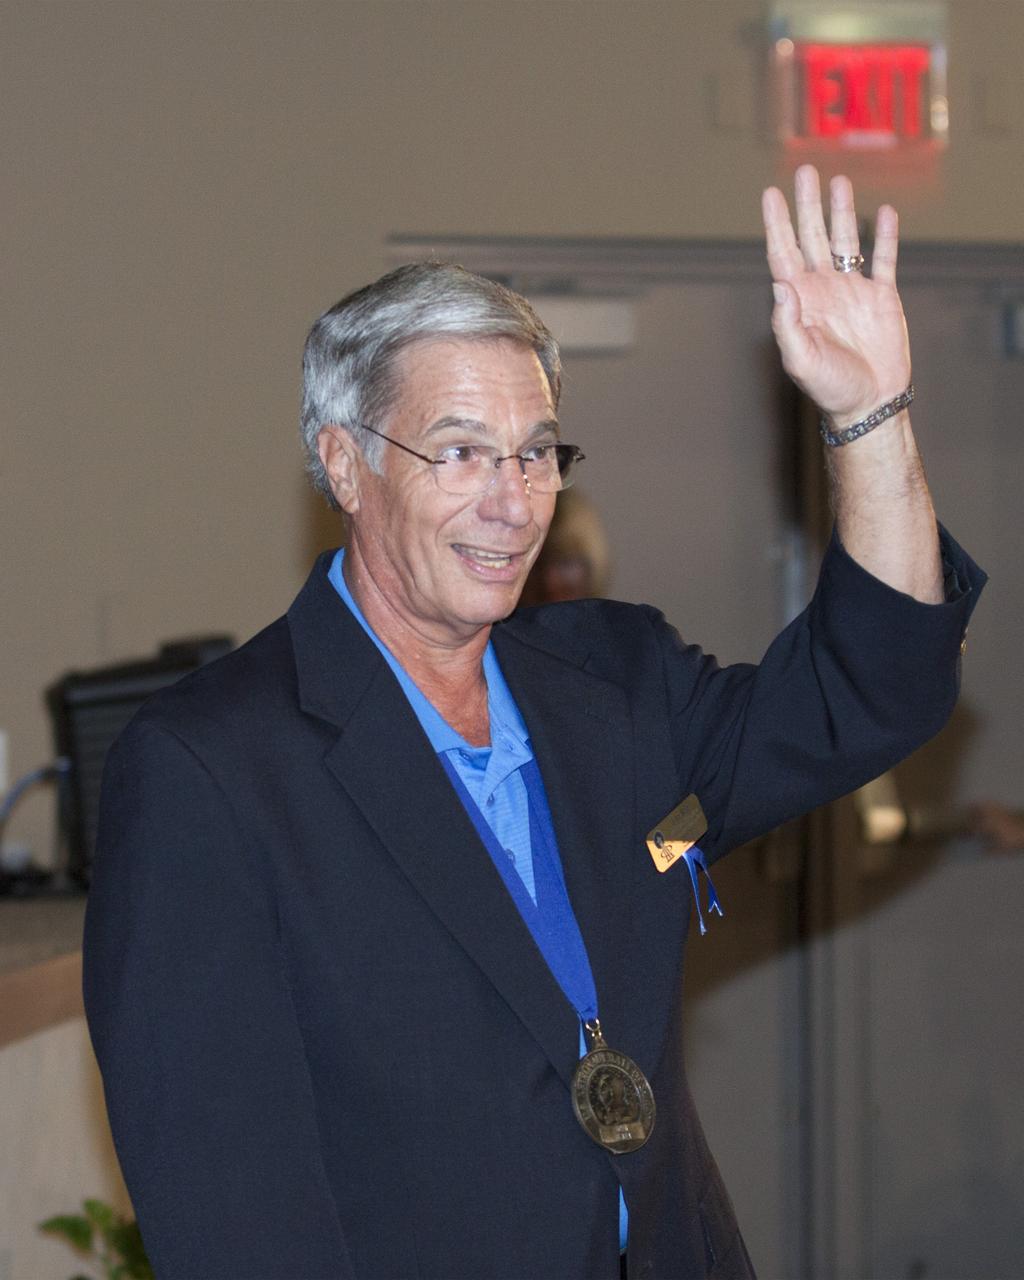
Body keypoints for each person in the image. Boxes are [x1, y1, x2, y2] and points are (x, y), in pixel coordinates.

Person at [84, 167, 984, 1280]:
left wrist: (868, 411)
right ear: (343, 462)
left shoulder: (613, 685)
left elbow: (873, 686)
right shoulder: (213, 769)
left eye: (535, 451)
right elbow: (232, 1211)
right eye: (460, 450)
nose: (511, 499)